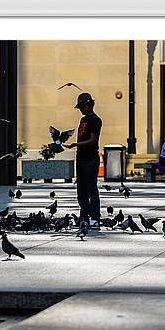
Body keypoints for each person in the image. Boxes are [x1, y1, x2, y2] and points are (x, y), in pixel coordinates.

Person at [66, 92, 102, 229]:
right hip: (81, 158)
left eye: (82, 107)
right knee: (81, 190)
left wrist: (76, 145)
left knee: (91, 189)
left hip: (90, 158)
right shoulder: (83, 120)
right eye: (80, 107)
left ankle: (95, 217)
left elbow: (94, 140)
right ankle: (84, 216)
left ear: (89, 105)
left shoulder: (95, 120)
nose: (81, 110)